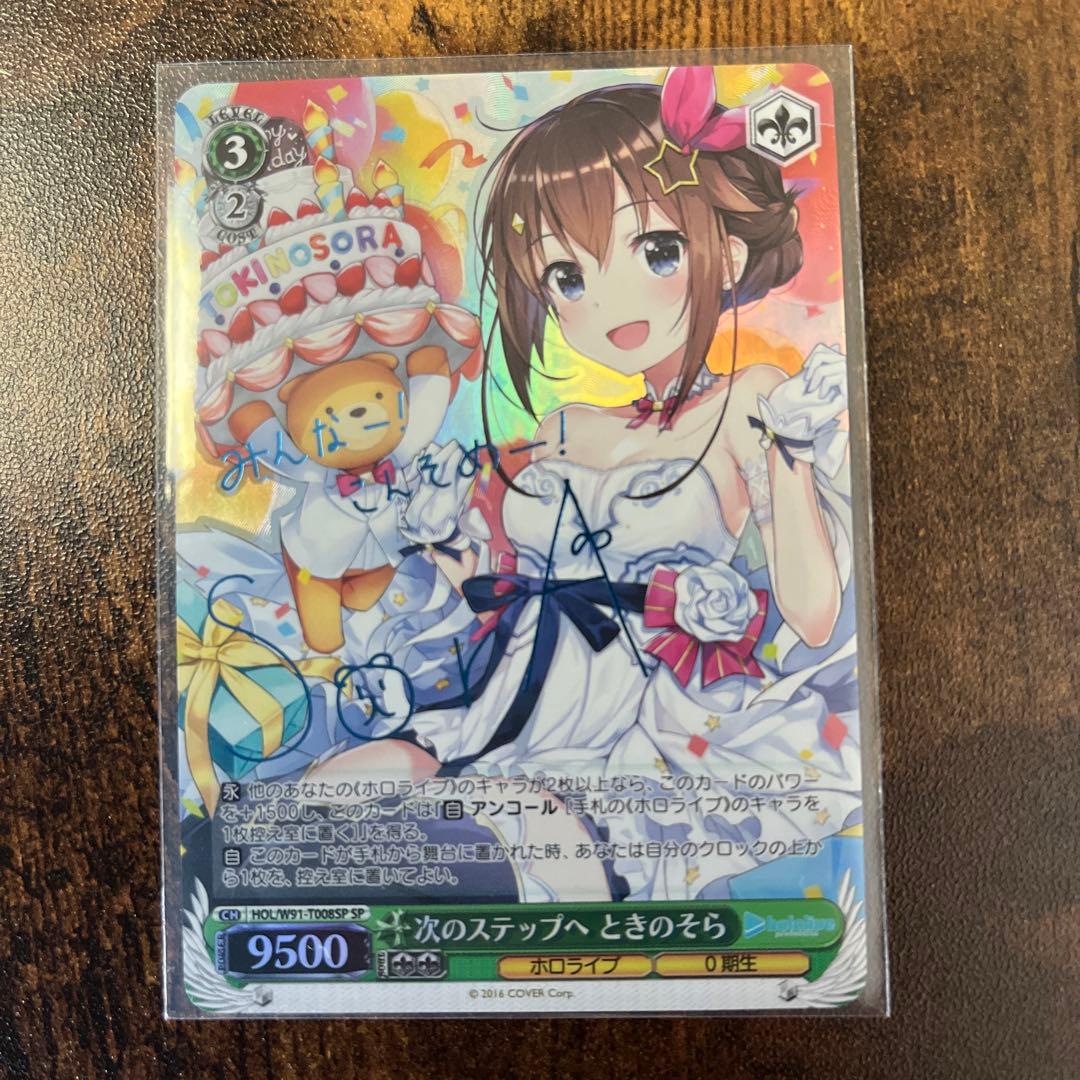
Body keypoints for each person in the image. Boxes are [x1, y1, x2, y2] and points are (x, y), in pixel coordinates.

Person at [309, 68, 862, 903]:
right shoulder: (568, 425)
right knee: (338, 788)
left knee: (538, 826)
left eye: (656, 251)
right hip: (516, 680)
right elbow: (498, 581)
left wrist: (791, 451)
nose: (607, 302)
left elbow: (814, 613)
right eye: (566, 277)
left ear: (727, 252)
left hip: (640, 706)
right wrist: (442, 543)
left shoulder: (751, 399)